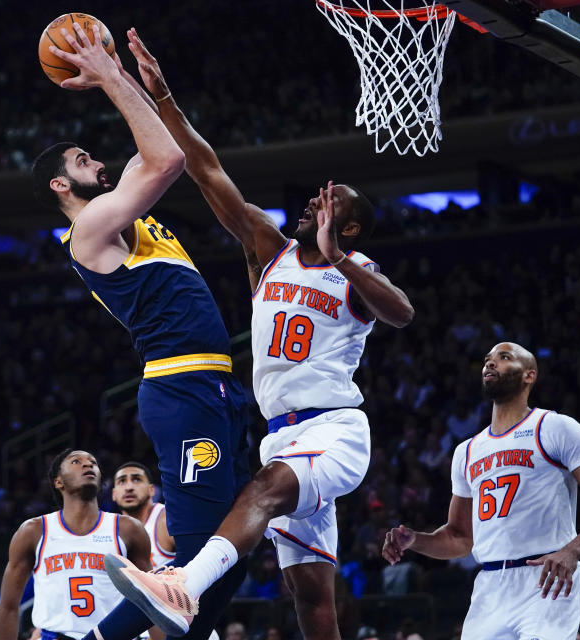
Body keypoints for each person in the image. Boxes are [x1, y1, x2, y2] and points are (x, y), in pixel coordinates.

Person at [103, 29, 414, 640]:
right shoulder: (269, 252)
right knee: (310, 595)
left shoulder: (358, 273)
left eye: (327, 204)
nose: (310, 205)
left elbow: (401, 313)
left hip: (333, 430)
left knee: (264, 490)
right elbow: (207, 169)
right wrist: (162, 96)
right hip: (278, 435)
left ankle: (181, 587)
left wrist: (341, 258)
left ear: (348, 228)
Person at [31, 22, 250, 640]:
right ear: (58, 185)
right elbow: (168, 160)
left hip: (212, 387)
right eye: (81, 160)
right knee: (193, 559)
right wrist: (106, 77)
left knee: (230, 551)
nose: (95, 161)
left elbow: (164, 144)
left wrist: (149, 89)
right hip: (181, 390)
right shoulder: (90, 231)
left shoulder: (120, 205)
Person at [381, 342, 580, 640]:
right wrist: (415, 540)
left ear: (529, 376)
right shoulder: (467, 451)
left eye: (504, 357)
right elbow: (460, 538)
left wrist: (572, 550)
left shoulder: (554, 427)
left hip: (546, 579)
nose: (490, 363)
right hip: (490, 587)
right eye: (487, 360)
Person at [0, 450, 154, 640]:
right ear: (58, 482)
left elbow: (151, 602)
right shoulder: (34, 531)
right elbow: (8, 606)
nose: (88, 465)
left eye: (93, 462)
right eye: (76, 461)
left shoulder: (128, 529)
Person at [112, 462, 175, 569]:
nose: (129, 487)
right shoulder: (109, 528)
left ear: (151, 490)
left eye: (136, 480)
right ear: (113, 494)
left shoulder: (167, 519)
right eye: (122, 481)